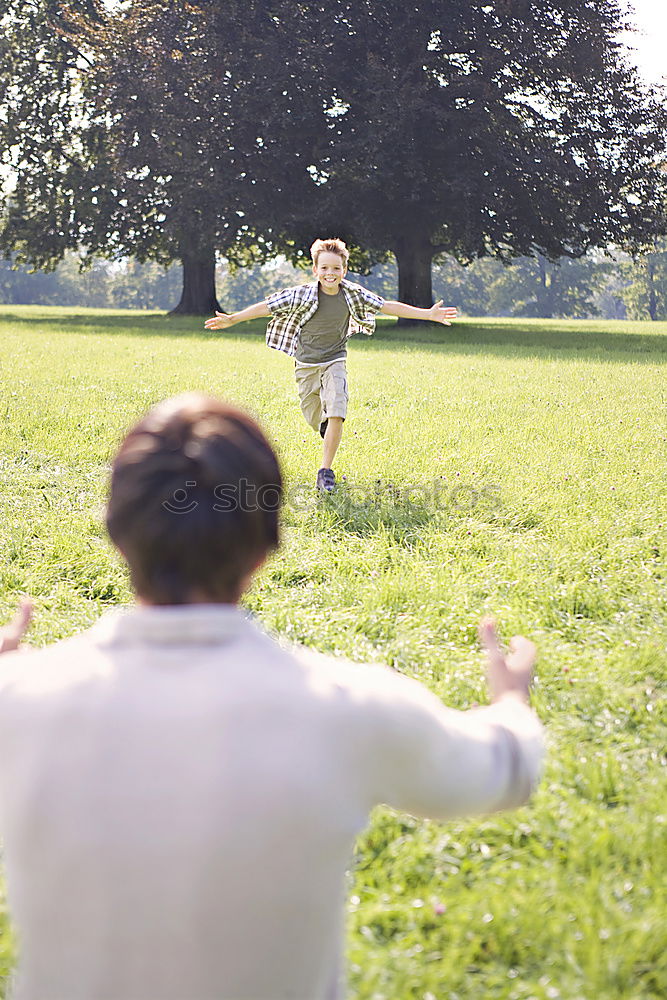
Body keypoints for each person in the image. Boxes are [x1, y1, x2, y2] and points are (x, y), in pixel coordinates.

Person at [0, 393, 543, 1000]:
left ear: (117, 535)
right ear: (264, 548)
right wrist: (512, 702)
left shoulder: (17, 702)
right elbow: (506, 771)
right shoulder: (350, 706)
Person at [204, 238, 458, 491]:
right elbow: (269, 306)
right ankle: (326, 427)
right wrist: (234, 318)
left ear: (344, 271)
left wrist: (427, 314)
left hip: (335, 359)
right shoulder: (301, 294)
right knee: (314, 416)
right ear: (315, 270)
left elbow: (386, 306)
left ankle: (325, 471)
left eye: (336, 268)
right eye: (324, 268)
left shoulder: (352, 294)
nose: (330, 273)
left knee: (337, 409)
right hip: (305, 364)